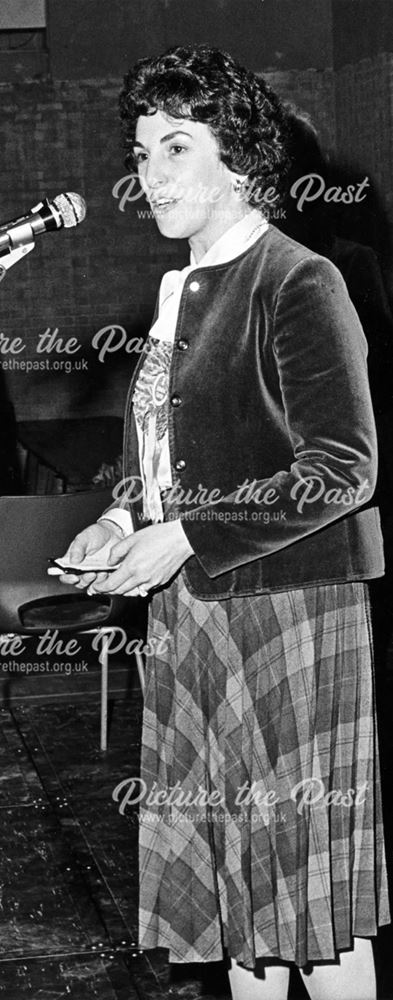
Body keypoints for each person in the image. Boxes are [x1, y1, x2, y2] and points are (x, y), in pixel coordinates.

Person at [55, 46, 389, 1000]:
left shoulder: (298, 279)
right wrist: (122, 518)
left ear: (239, 163)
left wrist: (189, 534)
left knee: (309, 901)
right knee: (236, 894)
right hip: (196, 615)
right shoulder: (177, 289)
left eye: (174, 148)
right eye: (140, 151)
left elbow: (342, 468)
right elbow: (166, 458)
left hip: (288, 609)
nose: (147, 174)